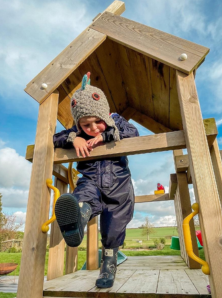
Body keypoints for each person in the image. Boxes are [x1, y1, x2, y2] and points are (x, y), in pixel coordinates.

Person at [53, 73, 139, 288]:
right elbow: (56, 138)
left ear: (105, 115)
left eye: (97, 122)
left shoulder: (116, 121)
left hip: (119, 183)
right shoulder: (78, 132)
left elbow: (133, 132)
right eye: (86, 125)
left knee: (113, 226)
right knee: (83, 196)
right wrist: (75, 138)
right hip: (90, 177)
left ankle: (108, 265)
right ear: (79, 124)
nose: (92, 129)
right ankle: (77, 221)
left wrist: (107, 135)